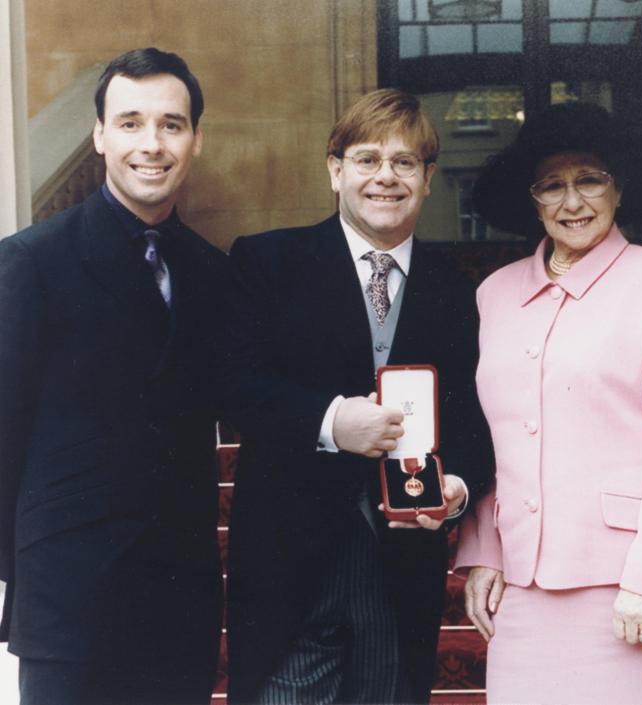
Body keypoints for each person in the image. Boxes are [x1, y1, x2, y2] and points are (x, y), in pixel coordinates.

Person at [218, 88, 493, 704]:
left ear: (427, 179)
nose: (385, 177)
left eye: (405, 162)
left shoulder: (458, 291)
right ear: (335, 170)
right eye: (367, 159)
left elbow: (475, 425)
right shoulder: (268, 262)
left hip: (400, 569)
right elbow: (233, 383)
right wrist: (331, 422)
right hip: (291, 561)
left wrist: (459, 490)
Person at [455, 102, 642, 704]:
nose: (573, 202)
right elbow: (499, 439)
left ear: (619, 188)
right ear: (533, 199)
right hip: (523, 582)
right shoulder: (496, 294)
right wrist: (484, 551)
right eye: (553, 185)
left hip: (628, 584)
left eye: (590, 179)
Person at [0, 48, 225, 704]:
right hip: (68, 604)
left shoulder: (214, 274)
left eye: (171, 124)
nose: (150, 144)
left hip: (178, 603)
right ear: (99, 136)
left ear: (195, 140)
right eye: (130, 123)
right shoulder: (31, 262)